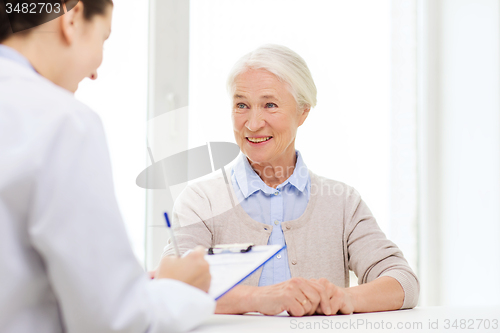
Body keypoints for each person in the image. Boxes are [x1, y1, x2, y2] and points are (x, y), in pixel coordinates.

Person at [0, 1, 214, 332]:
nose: (96, 71)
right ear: (71, 19)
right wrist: (176, 288)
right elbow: (115, 321)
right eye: (103, 37)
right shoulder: (63, 121)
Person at [162, 44, 420, 316]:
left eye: (270, 105)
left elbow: (403, 282)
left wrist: (343, 298)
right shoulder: (201, 201)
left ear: (303, 111)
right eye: (241, 105)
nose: (252, 123)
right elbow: (173, 287)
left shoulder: (342, 202)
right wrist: (257, 298)